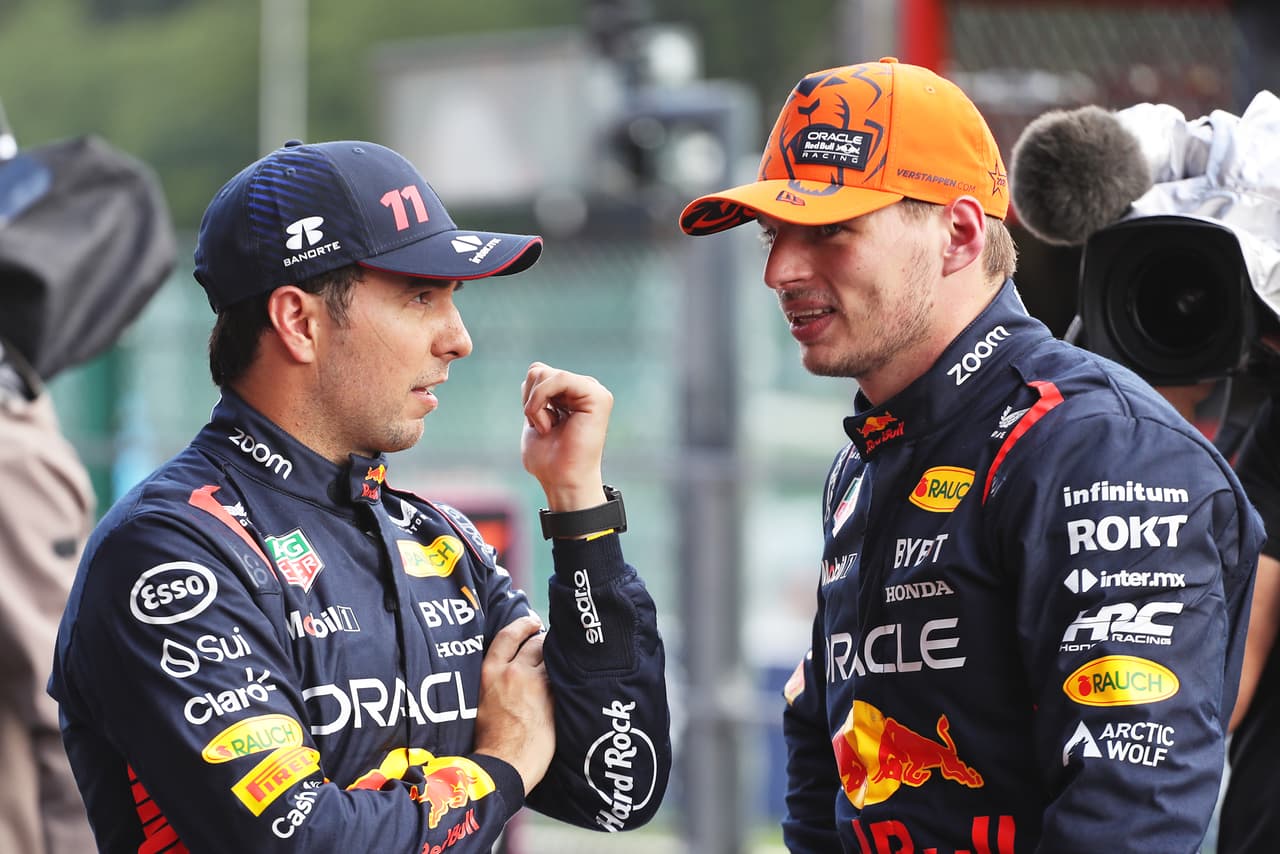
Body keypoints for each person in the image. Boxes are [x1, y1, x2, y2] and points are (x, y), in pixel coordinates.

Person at [679, 58, 1263, 853]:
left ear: (957, 233)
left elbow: (1128, 821)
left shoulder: (1097, 449)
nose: (781, 270)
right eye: (774, 234)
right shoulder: (867, 460)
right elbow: (830, 760)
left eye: (830, 230)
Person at [48, 139, 671, 852]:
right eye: (421, 296)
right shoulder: (169, 550)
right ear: (298, 321)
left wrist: (580, 512)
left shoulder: (442, 544)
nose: (458, 339)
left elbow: (615, 788)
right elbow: (301, 842)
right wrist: (501, 768)